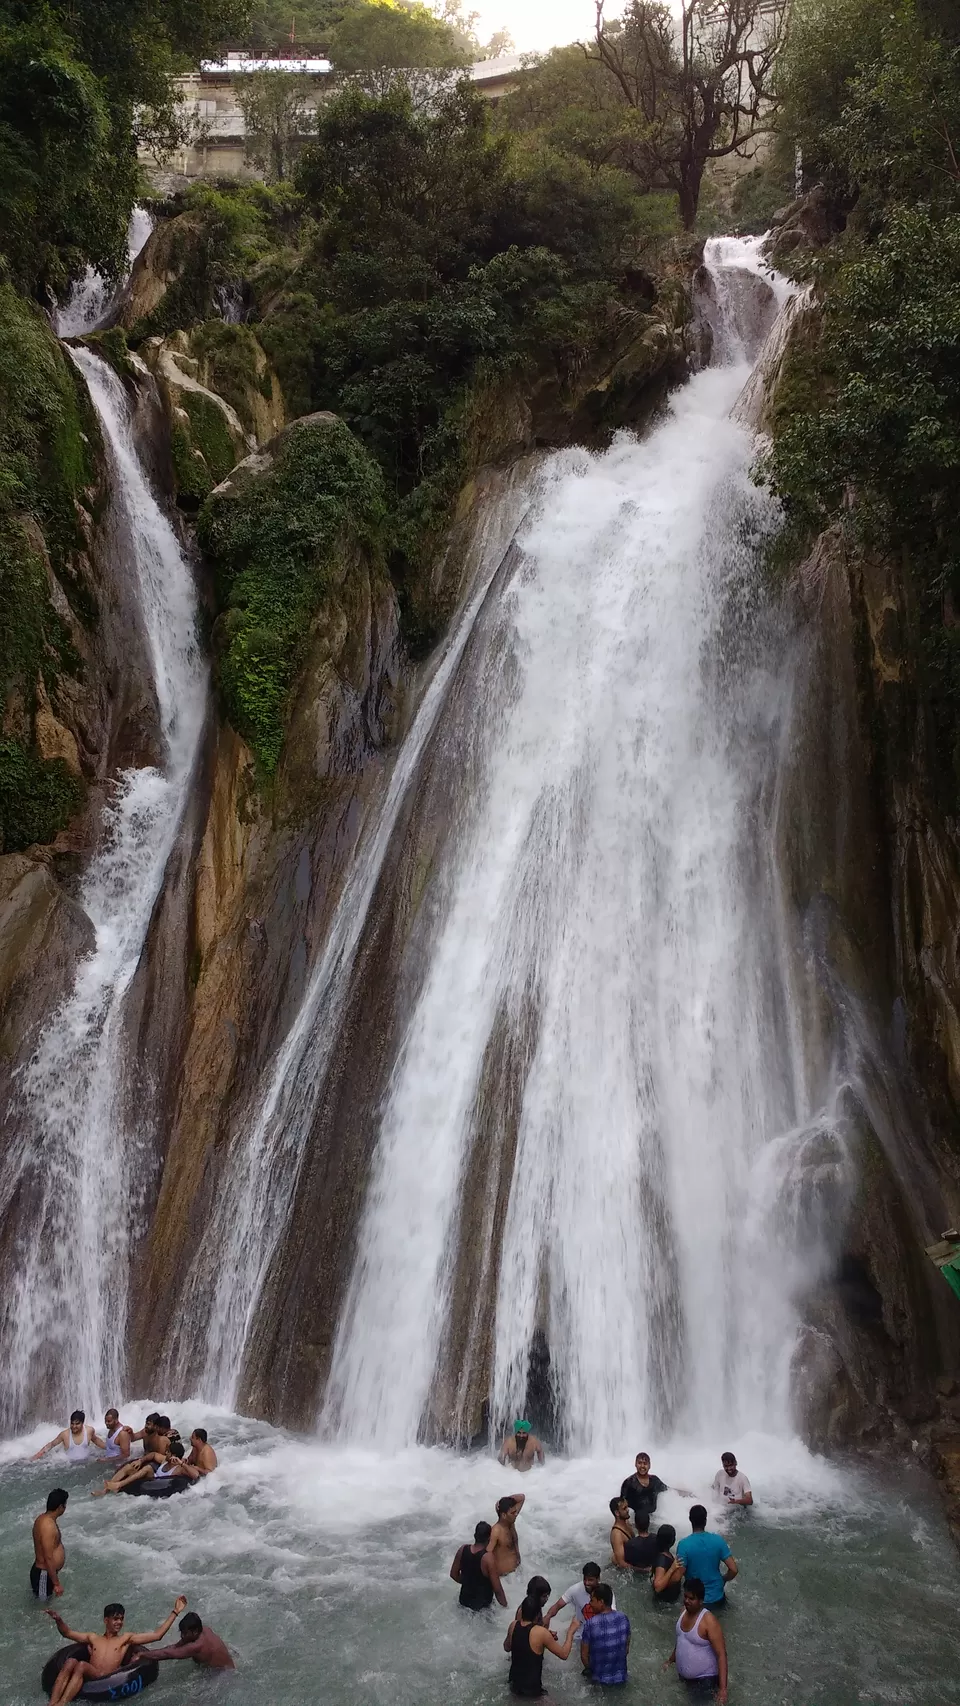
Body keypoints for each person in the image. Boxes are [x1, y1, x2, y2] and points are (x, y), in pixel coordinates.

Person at [44, 1596, 187, 1704]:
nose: (119, 1622)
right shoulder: (93, 1637)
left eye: (121, 1619)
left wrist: (175, 1611)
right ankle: (52, 1703)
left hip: (107, 1678)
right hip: (91, 1673)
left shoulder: (125, 1638)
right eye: (115, 1619)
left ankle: (62, 1704)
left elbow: (157, 1635)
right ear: (106, 1620)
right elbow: (68, 1633)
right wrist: (58, 1620)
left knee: (80, 1665)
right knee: (69, 1661)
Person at [665, 1577, 728, 1702]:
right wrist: (670, 1661)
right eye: (686, 1597)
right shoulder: (683, 1612)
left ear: (701, 1601)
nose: (687, 1601)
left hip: (705, 1680)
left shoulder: (708, 1621)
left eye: (691, 1598)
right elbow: (681, 1640)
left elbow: (722, 1655)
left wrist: (723, 1690)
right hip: (685, 1678)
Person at [503, 1592, 577, 1698]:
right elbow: (564, 1654)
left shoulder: (513, 1625)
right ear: (537, 1614)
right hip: (532, 1691)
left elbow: (506, 1647)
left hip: (514, 1686)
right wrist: (570, 1633)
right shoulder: (541, 1633)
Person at [92, 1437, 200, 1496]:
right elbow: (153, 1455)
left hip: (157, 1483)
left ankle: (119, 1485)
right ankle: (105, 1491)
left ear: (174, 1455)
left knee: (148, 1468)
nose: (165, 1452)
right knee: (130, 1467)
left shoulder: (179, 1469)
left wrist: (181, 1463)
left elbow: (195, 1475)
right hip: (148, 1479)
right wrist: (140, 1460)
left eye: (168, 1452)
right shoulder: (164, 1460)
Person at [676, 1508, 738, 1609]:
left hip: (695, 1602)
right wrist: (723, 1580)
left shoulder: (684, 1545)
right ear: (705, 1520)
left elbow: (677, 1577)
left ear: (690, 1520)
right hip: (718, 1598)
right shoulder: (718, 1540)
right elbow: (734, 1570)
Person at [579, 1583, 631, 1686]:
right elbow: (626, 1649)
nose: (590, 1604)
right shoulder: (624, 1618)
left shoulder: (590, 1624)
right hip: (621, 1679)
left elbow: (584, 1656)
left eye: (592, 1600)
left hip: (600, 1681)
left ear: (601, 1602)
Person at [451, 1521, 507, 1609]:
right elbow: (497, 1589)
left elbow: (453, 1574)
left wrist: (468, 1583)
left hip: (463, 1603)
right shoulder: (488, 1558)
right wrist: (506, 1607)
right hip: (482, 1609)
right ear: (489, 1539)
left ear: (475, 1535)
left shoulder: (462, 1549)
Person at [149, 1612, 235, 1670]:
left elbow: (168, 1654)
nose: (182, 1636)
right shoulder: (204, 1629)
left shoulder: (197, 1645)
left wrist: (143, 1655)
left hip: (223, 1673)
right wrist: (149, 1653)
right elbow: (174, 1647)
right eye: (181, 1632)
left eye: (185, 1633)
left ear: (195, 1631)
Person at [544, 1564, 616, 1629]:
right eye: (585, 1579)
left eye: (590, 1580)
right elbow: (557, 1606)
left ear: (598, 1579)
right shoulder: (575, 1589)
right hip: (579, 1634)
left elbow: (611, 1615)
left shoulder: (605, 1592)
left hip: (599, 1632)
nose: (586, 1583)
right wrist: (548, 1616)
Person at [619, 1452, 681, 1523]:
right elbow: (621, 1504)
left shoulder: (654, 1481)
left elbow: (669, 1490)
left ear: (649, 1465)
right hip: (636, 1520)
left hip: (653, 1520)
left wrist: (687, 1495)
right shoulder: (629, 1482)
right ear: (635, 1464)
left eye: (645, 1463)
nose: (642, 1466)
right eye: (639, 1463)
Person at [31, 1490, 68, 1599]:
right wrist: (56, 1583)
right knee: (44, 1609)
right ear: (60, 1506)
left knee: (46, 1605)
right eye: (65, 1505)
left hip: (45, 1573)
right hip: (44, 1574)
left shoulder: (43, 1518)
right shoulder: (48, 1526)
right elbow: (48, 1556)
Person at [32, 1412, 104, 1462]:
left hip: (87, 1462)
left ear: (82, 1423)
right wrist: (37, 1455)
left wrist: (108, 1447)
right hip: (70, 1464)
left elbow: (96, 1440)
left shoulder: (89, 1431)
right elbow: (51, 1444)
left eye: (77, 1424)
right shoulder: (64, 1434)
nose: (74, 1426)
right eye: (72, 1423)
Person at [488, 1493, 524, 1577]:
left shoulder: (511, 1522)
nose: (516, 1514)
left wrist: (500, 1501)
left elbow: (522, 1497)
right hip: (504, 1578)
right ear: (504, 1515)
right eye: (513, 1513)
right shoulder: (496, 1531)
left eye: (516, 1512)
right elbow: (486, 1556)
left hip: (517, 1574)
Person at [651, 1524, 685, 1604]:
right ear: (672, 1541)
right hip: (662, 1605)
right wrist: (672, 1568)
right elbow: (658, 1587)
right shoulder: (662, 1559)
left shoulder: (665, 1554)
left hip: (667, 1602)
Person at [608, 1496, 636, 1568]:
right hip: (622, 1571)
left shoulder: (626, 1522)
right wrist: (643, 1570)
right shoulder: (617, 1534)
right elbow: (621, 1563)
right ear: (617, 1513)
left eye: (627, 1507)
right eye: (624, 1508)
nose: (628, 1510)